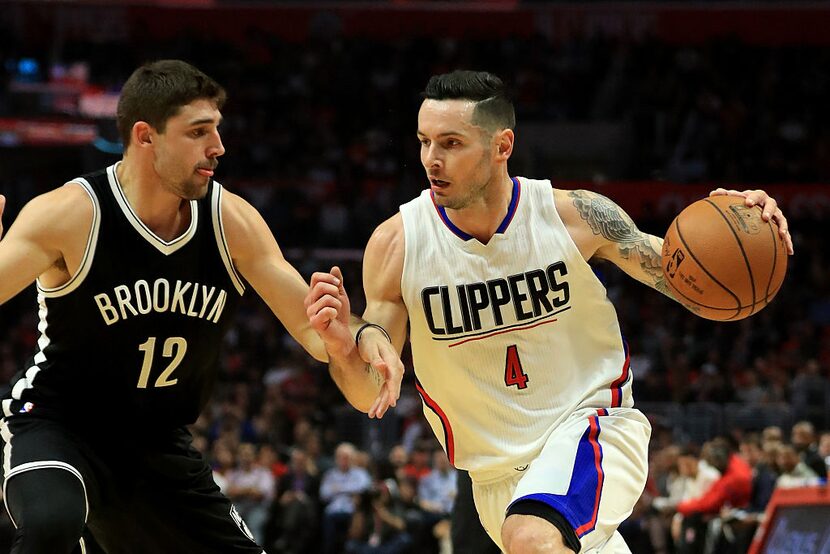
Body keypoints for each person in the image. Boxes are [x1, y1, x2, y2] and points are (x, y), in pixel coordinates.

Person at [305, 70, 793, 553]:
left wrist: (742, 228)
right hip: (493, 480)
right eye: (424, 142)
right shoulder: (397, 245)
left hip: (592, 430)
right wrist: (341, 348)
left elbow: (690, 282)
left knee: (532, 537)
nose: (432, 159)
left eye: (451, 143)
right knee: (529, 535)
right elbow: (369, 390)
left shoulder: (574, 217)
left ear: (502, 146)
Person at [0, 59, 401, 554]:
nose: (219, 147)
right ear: (146, 136)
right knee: (50, 524)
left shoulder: (231, 221)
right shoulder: (70, 214)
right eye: (199, 131)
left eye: (217, 129)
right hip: (59, 424)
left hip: (159, 441)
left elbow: (316, 333)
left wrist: (349, 339)